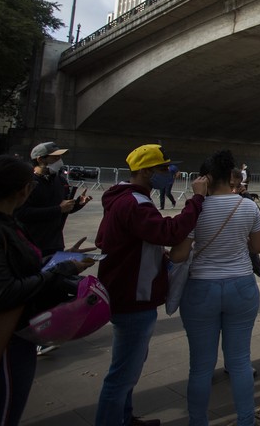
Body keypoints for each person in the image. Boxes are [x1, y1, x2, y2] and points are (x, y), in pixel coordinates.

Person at [0, 156, 95, 424]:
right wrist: (59, 270)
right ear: (23, 189)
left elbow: (21, 267)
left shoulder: (5, 222)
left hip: (17, 336)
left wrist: (59, 258)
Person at [94, 144, 209, 426]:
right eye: (161, 168)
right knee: (123, 373)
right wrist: (196, 200)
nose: (167, 173)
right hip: (133, 296)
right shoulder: (135, 203)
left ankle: (124, 417)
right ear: (145, 171)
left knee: (130, 367)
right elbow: (169, 232)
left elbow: (113, 240)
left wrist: (151, 254)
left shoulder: (124, 199)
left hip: (126, 291)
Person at [169, 150, 260, 426]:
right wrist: (235, 240)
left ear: (205, 179)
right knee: (239, 362)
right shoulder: (248, 206)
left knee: (200, 367)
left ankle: (197, 421)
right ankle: (246, 420)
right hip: (242, 286)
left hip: (201, 289)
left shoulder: (195, 208)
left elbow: (177, 256)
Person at [17, 142, 92, 257]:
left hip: (55, 243)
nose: (60, 161)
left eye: (60, 157)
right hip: (31, 244)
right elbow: (21, 213)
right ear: (40, 159)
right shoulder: (27, 183)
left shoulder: (61, 182)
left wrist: (77, 204)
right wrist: (58, 209)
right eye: (55, 157)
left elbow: (63, 209)